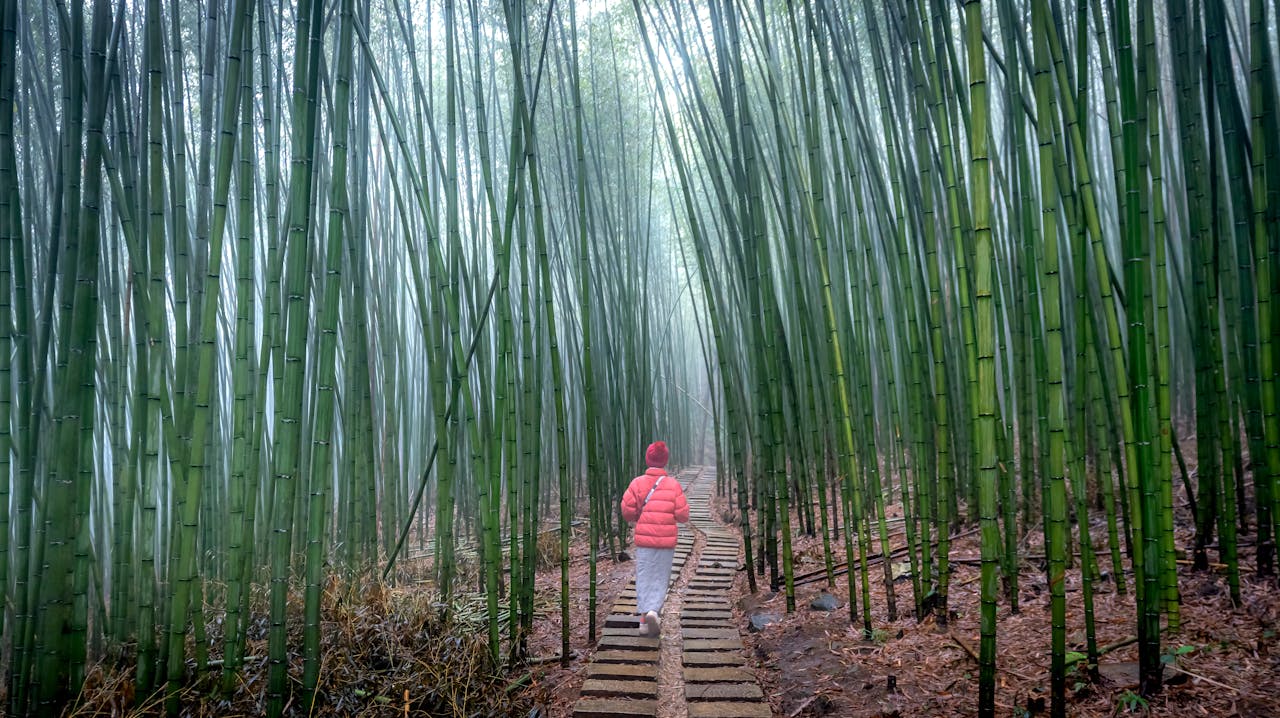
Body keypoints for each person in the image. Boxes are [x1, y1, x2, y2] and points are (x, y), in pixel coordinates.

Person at [619, 441, 690, 637]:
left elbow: (627, 510)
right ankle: (653, 612)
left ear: (647, 459)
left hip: (644, 542)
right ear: (665, 461)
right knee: (660, 577)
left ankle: (644, 620)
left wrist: (637, 517)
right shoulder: (673, 485)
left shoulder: (637, 483)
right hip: (666, 543)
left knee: (644, 577)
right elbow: (683, 515)